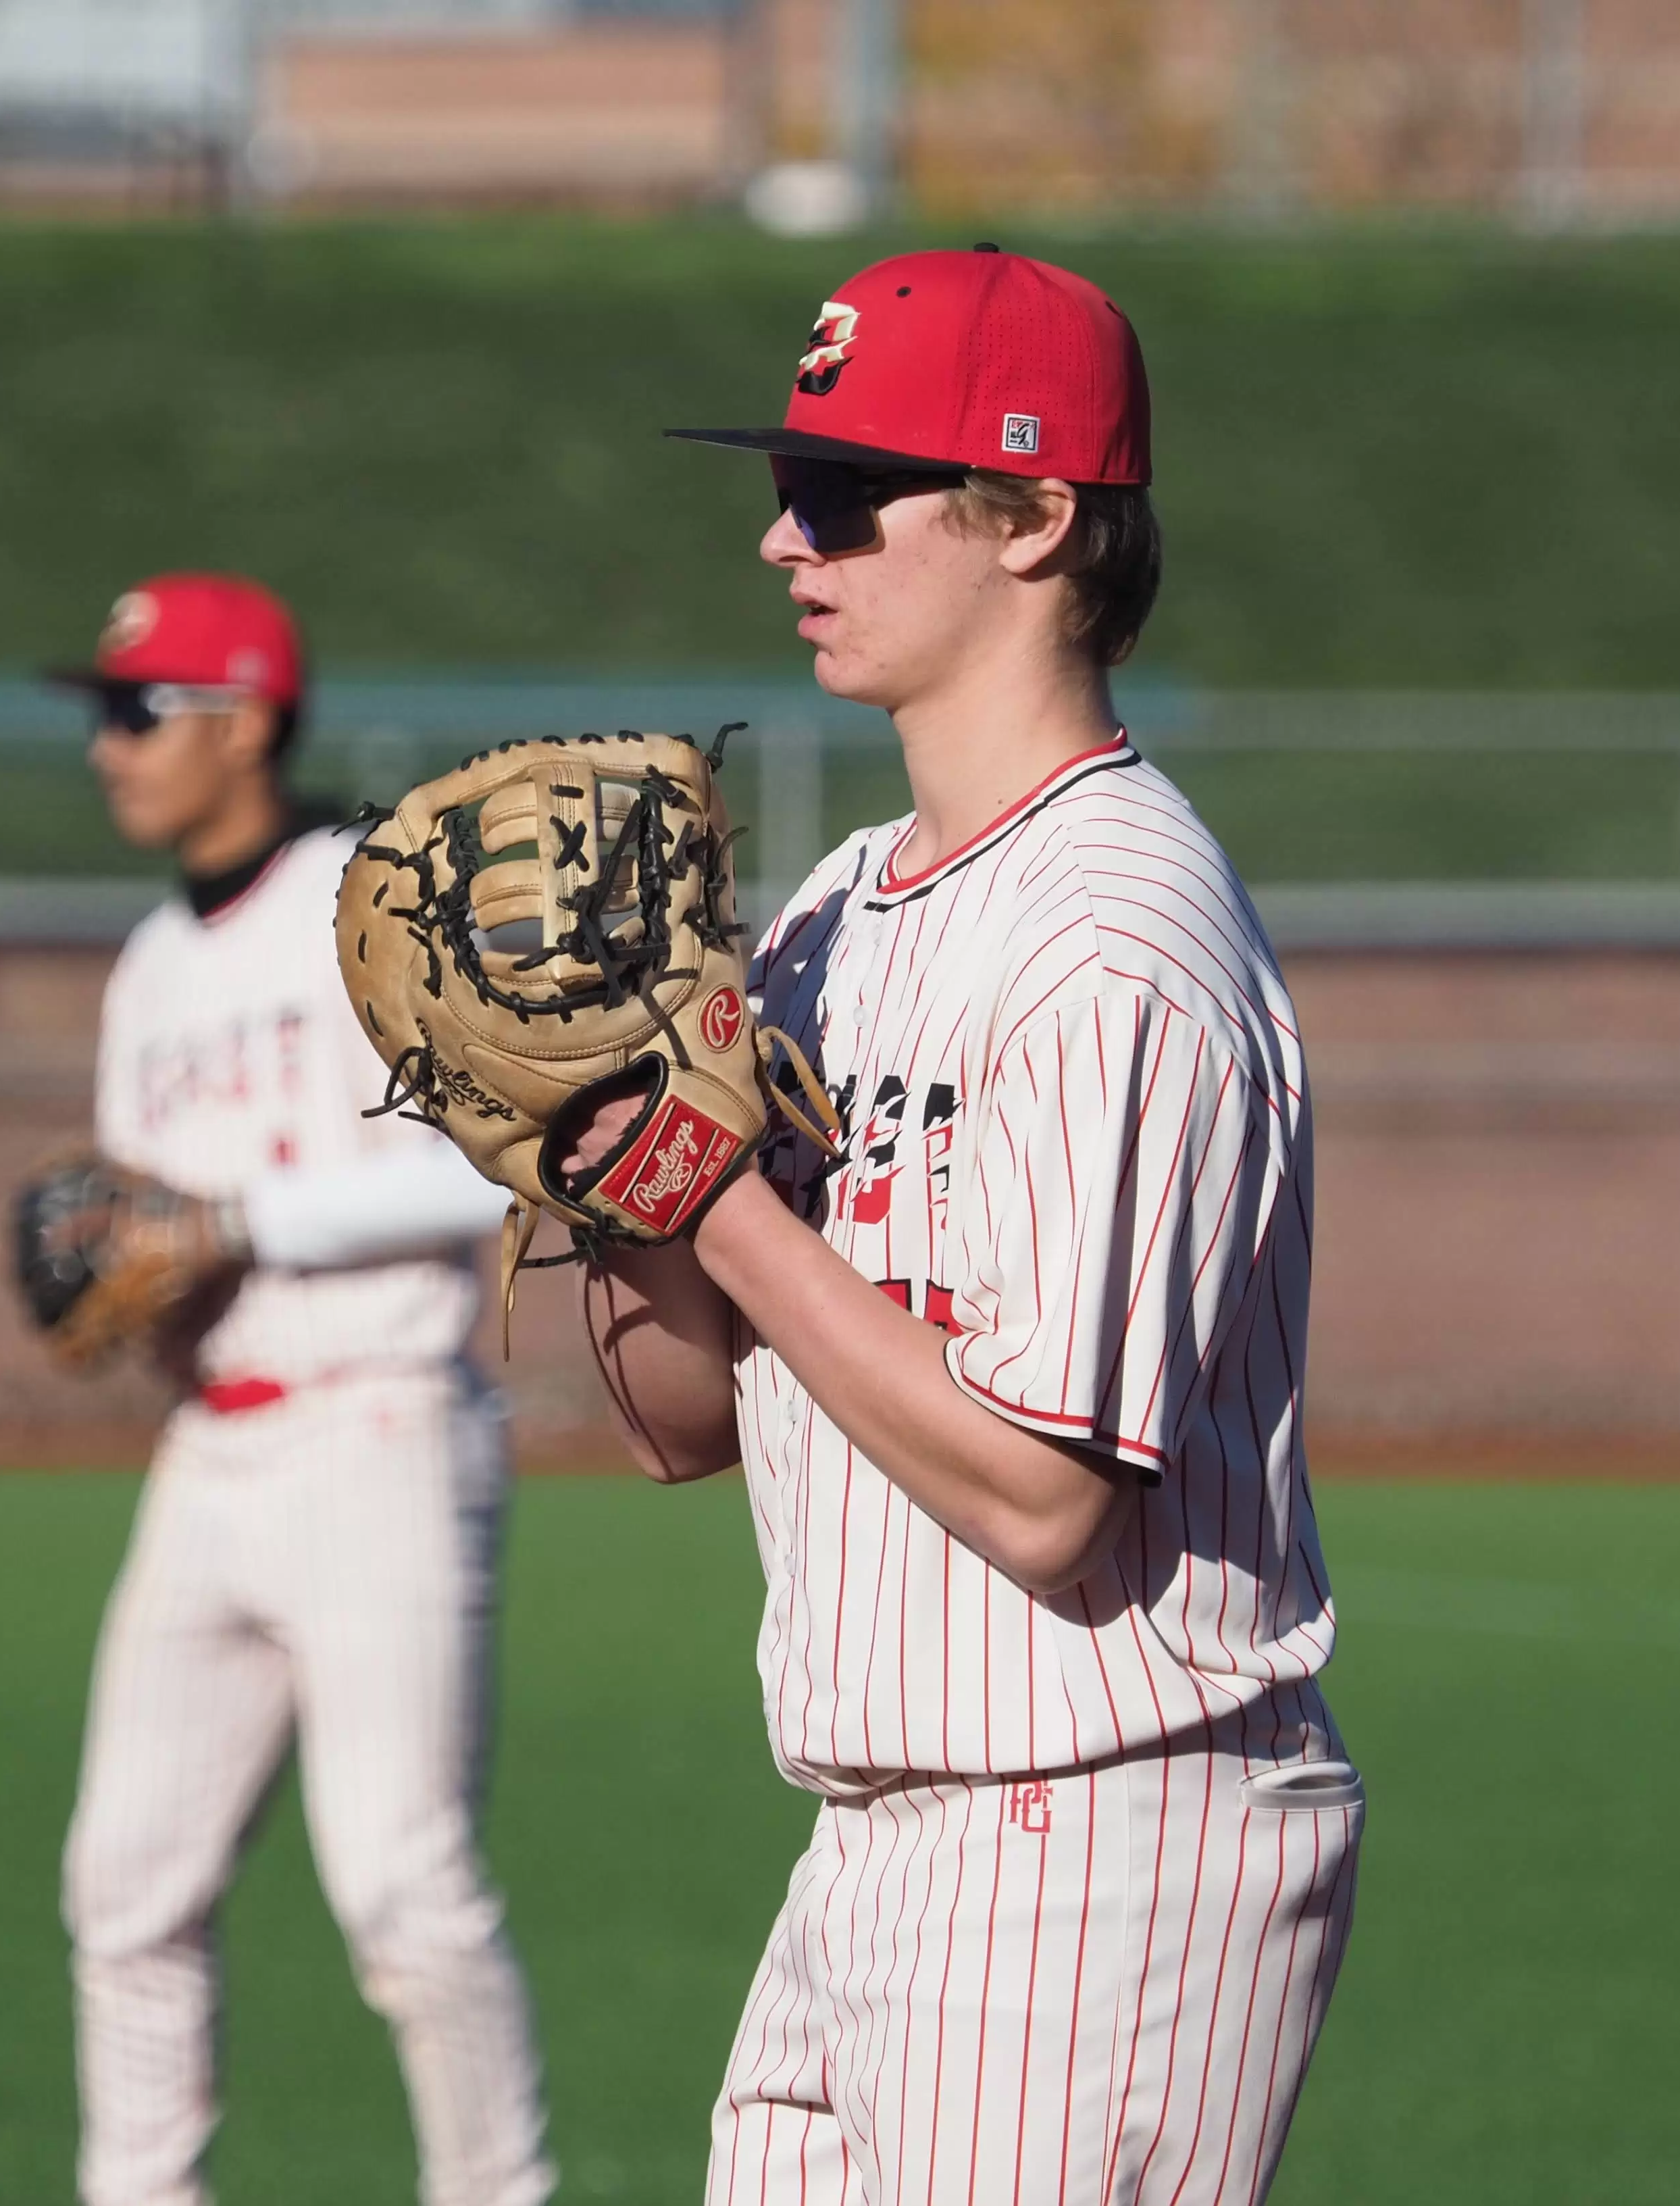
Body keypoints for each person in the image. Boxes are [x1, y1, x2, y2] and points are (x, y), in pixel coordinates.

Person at [580, 249, 1363, 2202]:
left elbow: (1040, 1497)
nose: (784, 538)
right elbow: (678, 1423)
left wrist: (721, 1211)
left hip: (1102, 1851)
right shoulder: (830, 915)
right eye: (793, 486)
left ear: (1032, 517)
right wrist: (603, 1179)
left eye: (848, 491)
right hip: (871, 1853)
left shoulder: (1118, 943)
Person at [47, 572, 555, 2206]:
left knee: (404, 1892)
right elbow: (149, 1213)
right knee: (123, 1887)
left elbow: (489, 1167)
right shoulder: (149, 965)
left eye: (139, 711)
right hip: (211, 1453)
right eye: (102, 714)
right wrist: (126, 1280)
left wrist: (239, 1223)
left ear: (247, 719)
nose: (110, 746)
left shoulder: (371, 901)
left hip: (376, 1428)